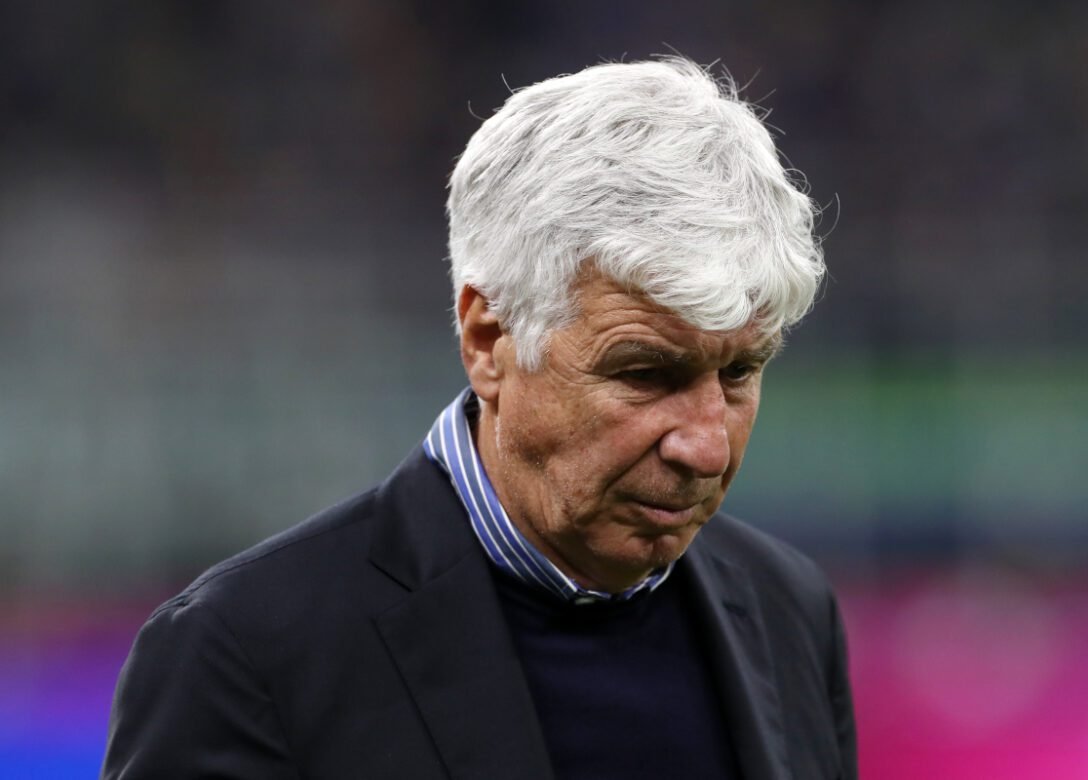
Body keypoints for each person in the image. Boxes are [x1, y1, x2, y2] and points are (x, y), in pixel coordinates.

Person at [102, 57, 857, 780]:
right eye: (643, 374)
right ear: (488, 341)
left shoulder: (789, 609)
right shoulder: (244, 654)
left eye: (739, 373)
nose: (706, 445)